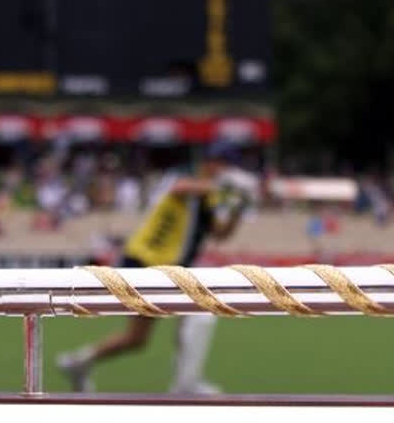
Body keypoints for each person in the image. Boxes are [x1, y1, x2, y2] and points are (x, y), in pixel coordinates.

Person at [56, 142, 256, 394]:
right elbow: (179, 188)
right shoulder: (185, 178)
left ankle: (77, 363)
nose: (226, 171)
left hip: (161, 266)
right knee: (201, 314)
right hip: (148, 262)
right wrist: (228, 187)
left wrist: (238, 209)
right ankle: (186, 383)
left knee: (137, 339)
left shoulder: (208, 195)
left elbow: (220, 233)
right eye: (223, 164)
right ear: (210, 162)